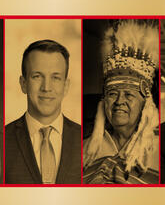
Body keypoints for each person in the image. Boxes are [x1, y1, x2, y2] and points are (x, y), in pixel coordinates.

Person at [83, 20, 159, 184]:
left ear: (145, 104)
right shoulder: (84, 150)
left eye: (129, 95)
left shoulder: (159, 150)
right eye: (112, 94)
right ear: (104, 102)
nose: (119, 101)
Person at [5, 39, 81, 184]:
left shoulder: (83, 140)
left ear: (66, 86)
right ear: (23, 84)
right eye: (37, 76)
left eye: (56, 78)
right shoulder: (4, 141)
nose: (46, 87)